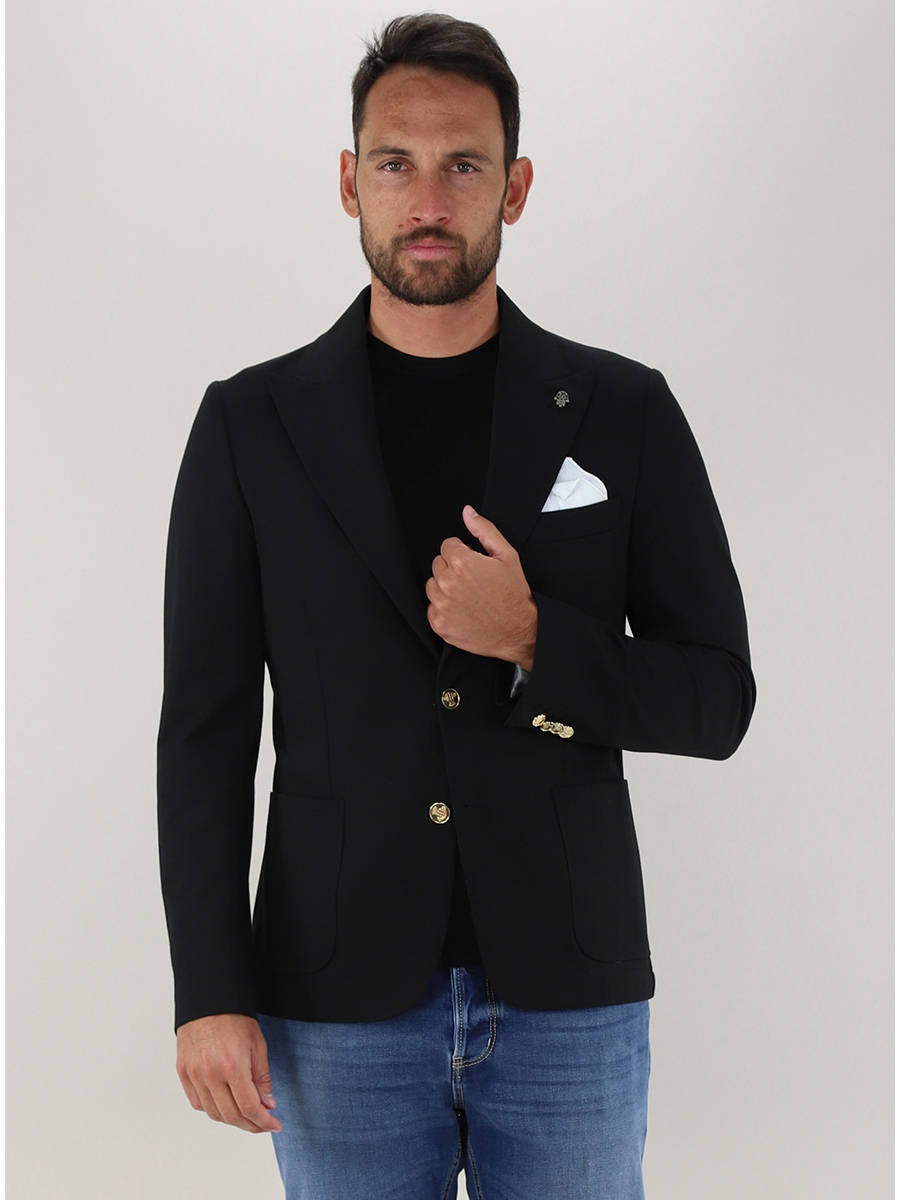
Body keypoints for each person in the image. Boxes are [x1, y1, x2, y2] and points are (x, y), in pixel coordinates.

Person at [157, 13, 755, 1199]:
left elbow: (717, 698)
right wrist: (208, 990)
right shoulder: (250, 426)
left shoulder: (624, 411)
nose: (428, 199)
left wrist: (533, 639)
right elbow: (206, 734)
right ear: (350, 182)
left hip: (568, 994)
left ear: (515, 188)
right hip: (335, 997)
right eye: (397, 163)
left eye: (464, 165)